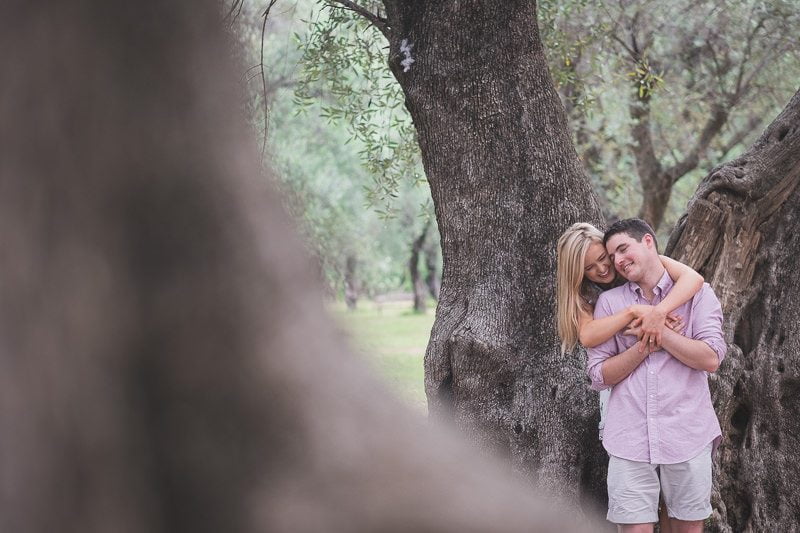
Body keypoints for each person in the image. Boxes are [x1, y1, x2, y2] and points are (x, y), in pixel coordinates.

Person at [586, 218, 726, 533]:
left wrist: (657, 329)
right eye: (613, 256)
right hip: (628, 437)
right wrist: (645, 347)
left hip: (688, 432)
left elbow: (711, 358)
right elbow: (599, 375)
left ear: (648, 242)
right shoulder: (611, 304)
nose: (618, 261)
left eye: (623, 248)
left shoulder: (698, 295)